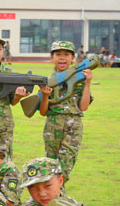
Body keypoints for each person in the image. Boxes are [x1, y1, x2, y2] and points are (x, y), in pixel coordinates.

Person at [36, 41, 93, 180]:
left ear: (73, 58)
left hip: (73, 126)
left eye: (66, 54)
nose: (62, 58)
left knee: (65, 165)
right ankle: (54, 197)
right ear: (52, 58)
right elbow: (43, 112)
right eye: (58, 54)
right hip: (53, 125)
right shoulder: (48, 81)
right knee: (51, 165)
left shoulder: (79, 79)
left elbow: (83, 107)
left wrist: (87, 84)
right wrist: (45, 95)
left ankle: (58, 195)